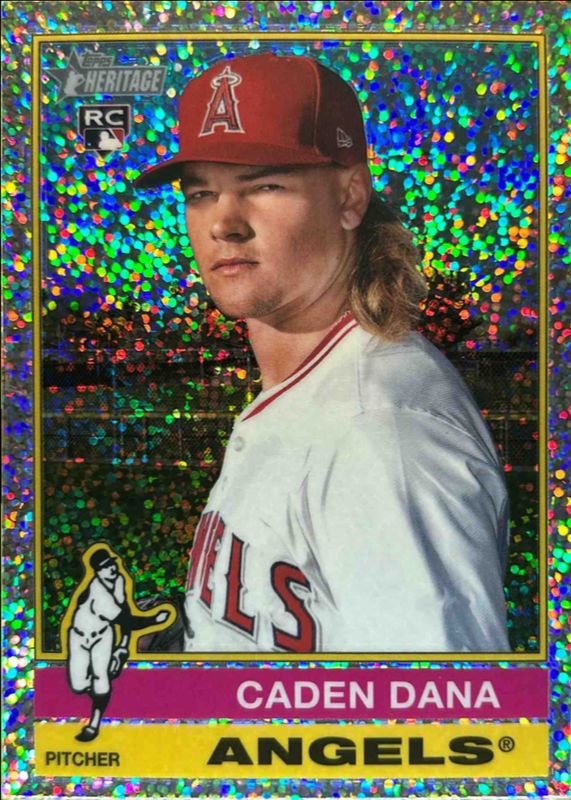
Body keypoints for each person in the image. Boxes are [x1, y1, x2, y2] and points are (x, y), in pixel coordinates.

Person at [135, 53, 510, 653]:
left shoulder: (382, 432)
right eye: (201, 192)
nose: (224, 223)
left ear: (350, 198)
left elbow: (433, 705)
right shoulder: (315, 383)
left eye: (265, 185)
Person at [67, 546, 169, 740]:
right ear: (98, 572)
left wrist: (123, 645)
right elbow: (125, 620)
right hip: (79, 637)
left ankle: (94, 724)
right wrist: (154, 620)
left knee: (102, 681)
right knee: (78, 685)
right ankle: (100, 693)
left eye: (111, 564)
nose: (111, 568)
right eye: (105, 567)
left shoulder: (119, 580)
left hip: (103, 636)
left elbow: (125, 611)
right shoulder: (98, 592)